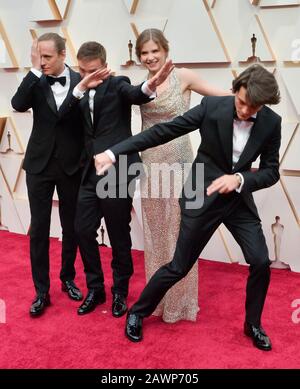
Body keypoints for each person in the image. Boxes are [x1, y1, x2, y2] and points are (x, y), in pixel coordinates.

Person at [95, 64, 281, 351]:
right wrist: (112, 151)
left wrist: (240, 178)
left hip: (237, 200)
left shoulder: (272, 122)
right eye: (241, 102)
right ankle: (138, 312)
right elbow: (162, 132)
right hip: (200, 194)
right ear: (235, 91)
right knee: (179, 265)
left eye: (253, 107)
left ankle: (253, 324)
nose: (245, 111)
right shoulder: (212, 107)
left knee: (259, 261)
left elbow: (271, 171)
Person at [133, 28, 231, 323]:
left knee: (180, 234)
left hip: (181, 164)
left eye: (155, 51)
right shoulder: (142, 87)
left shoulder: (184, 77)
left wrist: (248, 100)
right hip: (151, 165)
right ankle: (158, 302)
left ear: (165, 50)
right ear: (139, 56)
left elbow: (223, 97)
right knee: (156, 234)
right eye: (144, 53)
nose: (150, 57)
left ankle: (182, 303)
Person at [71, 41, 173, 318]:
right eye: (82, 71)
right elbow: (66, 113)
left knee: (118, 234)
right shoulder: (78, 91)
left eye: (92, 71)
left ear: (104, 67)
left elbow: (136, 93)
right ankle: (95, 288)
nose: (87, 76)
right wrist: (80, 87)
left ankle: (119, 292)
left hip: (119, 169)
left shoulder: (118, 85)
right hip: (90, 172)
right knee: (82, 229)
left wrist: (151, 85)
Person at [11, 33, 86, 317]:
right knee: (39, 229)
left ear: (63, 55)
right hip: (39, 166)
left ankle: (67, 278)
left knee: (72, 226)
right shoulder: (35, 81)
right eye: (38, 56)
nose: (42, 62)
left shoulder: (82, 80)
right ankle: (41, 290)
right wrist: (33, 70)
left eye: (47, 57)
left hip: (71, 166)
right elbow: (18, 104)